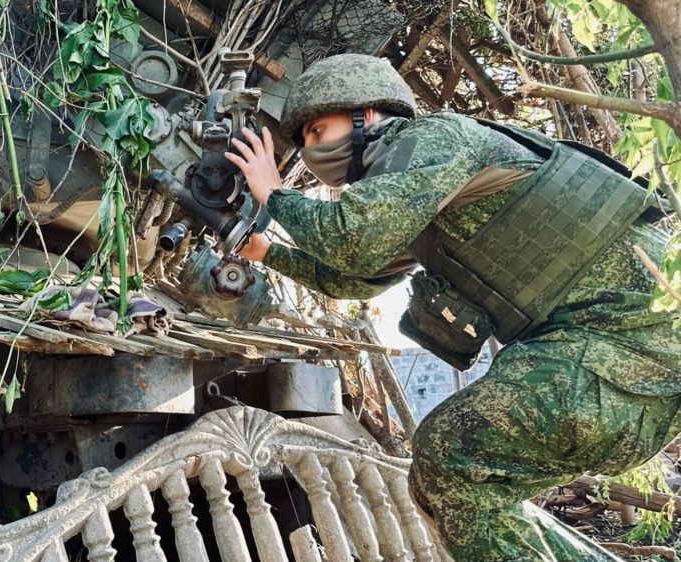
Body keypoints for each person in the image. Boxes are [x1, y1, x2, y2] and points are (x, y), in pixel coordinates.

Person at [224, 53, 681, 561]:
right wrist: (266, 252)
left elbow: (353, 240)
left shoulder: (435, 139)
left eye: (315, 129)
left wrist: (273, 194)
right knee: (444, 487)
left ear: (366, 114)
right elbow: (352, 278)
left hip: (632, 355)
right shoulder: (414, 194)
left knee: (448, 452)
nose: (312, 149)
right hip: (619, 381)